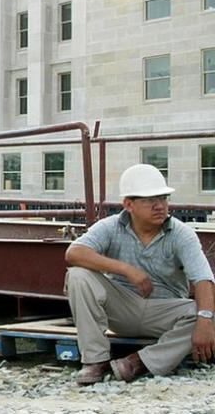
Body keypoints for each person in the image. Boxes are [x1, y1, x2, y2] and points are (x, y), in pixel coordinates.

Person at [65, 163, 215, 385]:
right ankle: (95, 361)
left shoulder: (182, 234)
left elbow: (203, 279)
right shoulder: (110, 227)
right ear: (128, 204)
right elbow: (74, 253)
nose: (159, 206)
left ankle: (137, 363)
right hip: (122, 307)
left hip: (165, 311)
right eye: (149, 200)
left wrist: (205, 322)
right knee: (78, 275)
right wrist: (127, 269)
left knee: (208, 312)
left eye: (163, 198)